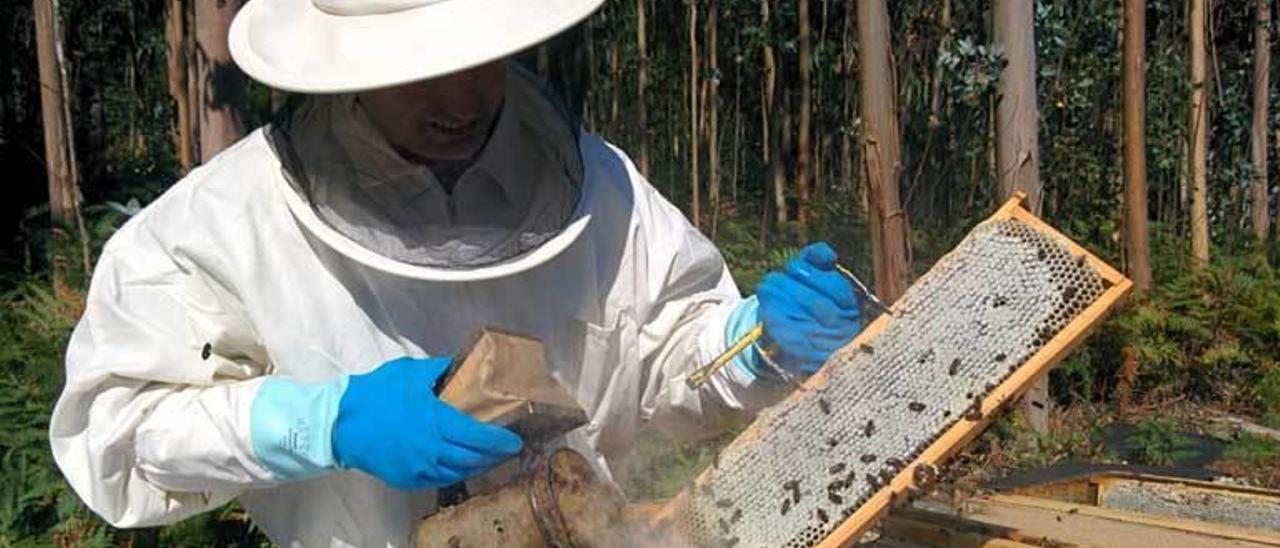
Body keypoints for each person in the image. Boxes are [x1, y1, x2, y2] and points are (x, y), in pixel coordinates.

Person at [49, 0, 863, 545]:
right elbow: (114, 434)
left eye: (483, 56)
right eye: (417, 67)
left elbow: (664, 357)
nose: (460, 98)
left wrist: (751, 343)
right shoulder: (224, 221)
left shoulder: (599, 185)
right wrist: (319, 422)